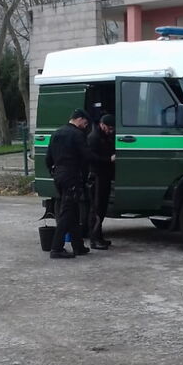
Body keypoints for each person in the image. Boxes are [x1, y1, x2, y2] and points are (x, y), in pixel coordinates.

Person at [45, 109, 92, 259]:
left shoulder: (56, 133)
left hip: (59, 175)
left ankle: (78, 246)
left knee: (73, 212)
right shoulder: (77, 134)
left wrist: (53, 173)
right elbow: (86, 156)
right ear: (79, 119)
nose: (85, 126)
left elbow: (48, 158)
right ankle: (56, 248)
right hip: (72, 176)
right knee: (67, 213)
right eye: (85, 123)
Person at [87, 114, 116, 249]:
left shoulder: (105, 137)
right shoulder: (94, 138)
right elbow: (92, 159)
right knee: (97, 208)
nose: (110, 131)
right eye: (109, 128)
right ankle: (94, 239)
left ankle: (99, 236)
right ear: (102, 125)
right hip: (97, 176)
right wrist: (108, 160)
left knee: (102, 208)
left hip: (104, 176)